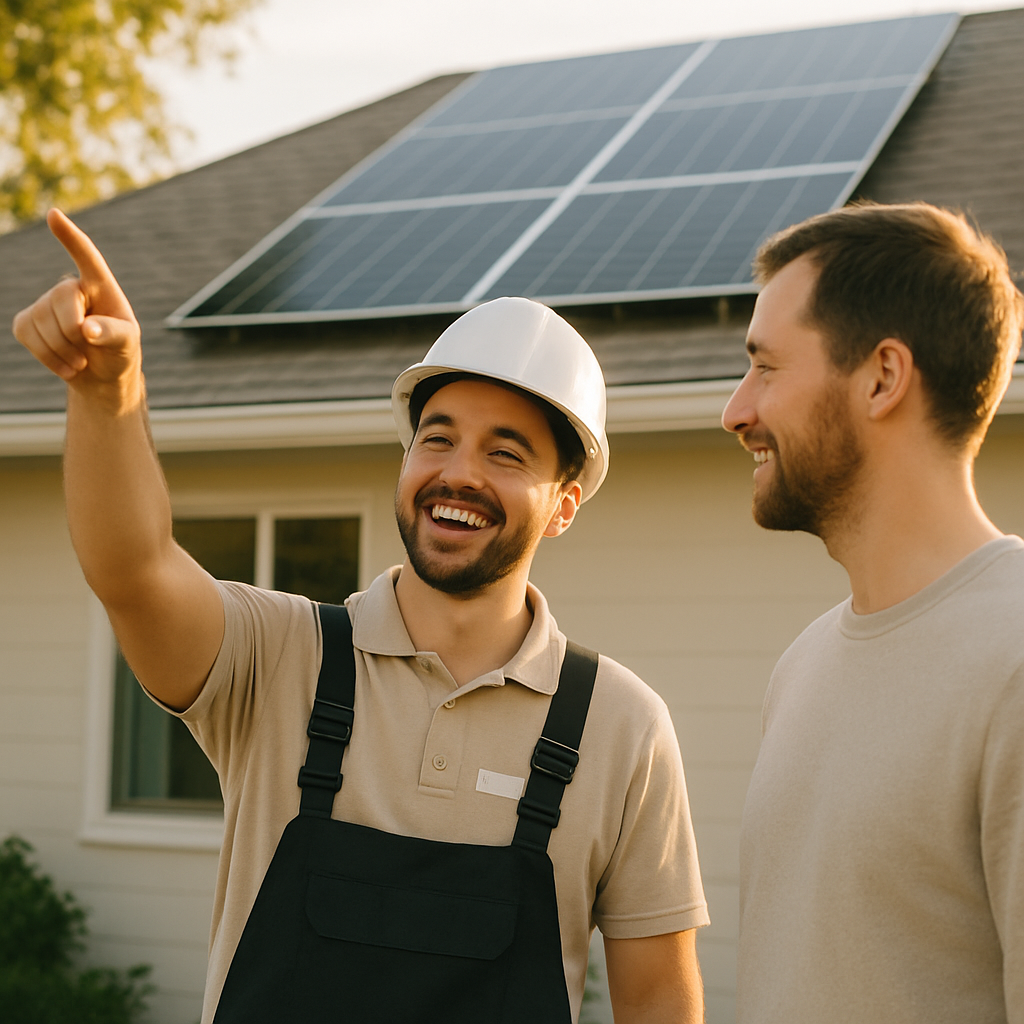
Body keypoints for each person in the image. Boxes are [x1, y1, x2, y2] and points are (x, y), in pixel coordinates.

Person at [13, 210, 709, 1024]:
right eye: (436, 438)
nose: (458, 474)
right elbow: (132, 568)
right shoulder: (277, 659)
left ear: (563, 506)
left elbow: (659, 998)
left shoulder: (621, 726)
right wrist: (107, 391)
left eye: (506, 452)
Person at [722, 201, 1024, 1024]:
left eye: (767, 368)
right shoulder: (803, 665)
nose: (736, 411)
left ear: (882, 378)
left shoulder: (1015, 660)